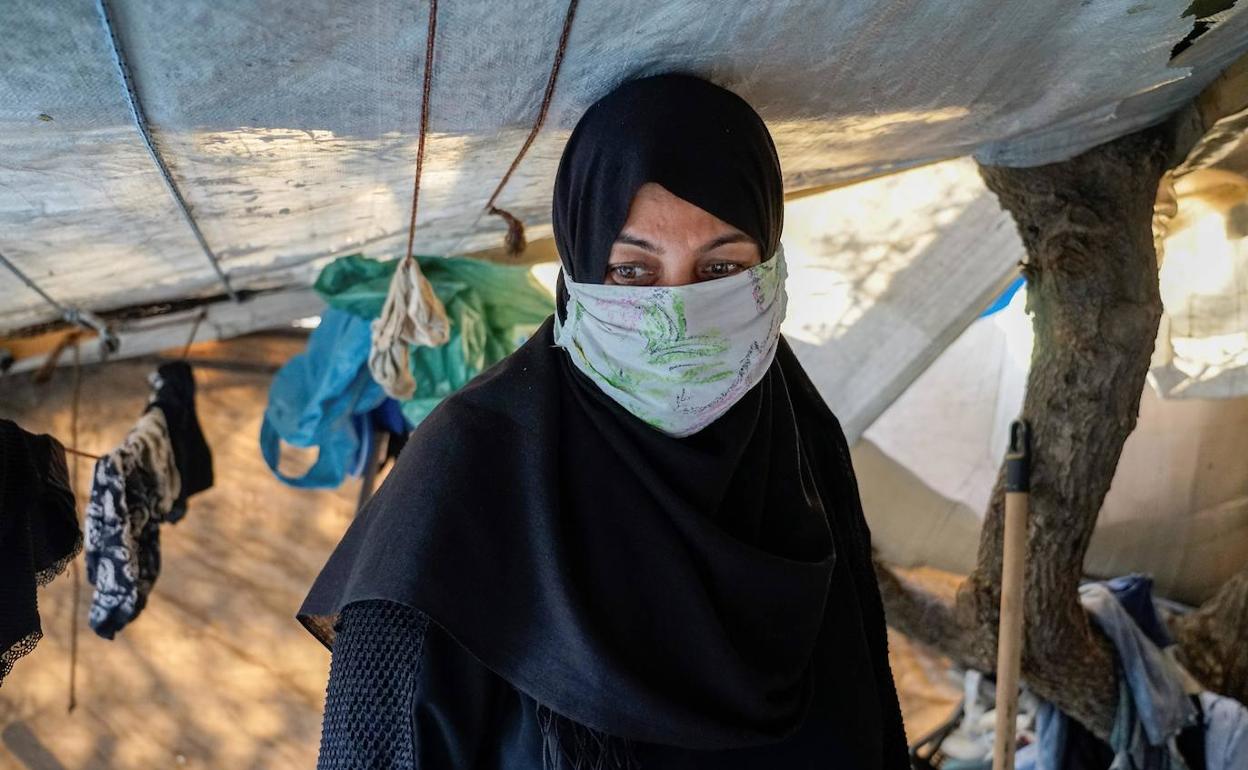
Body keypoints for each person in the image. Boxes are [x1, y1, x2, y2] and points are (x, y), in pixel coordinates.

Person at [299, 73, 909, 770]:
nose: (678, 315)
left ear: (770, 267)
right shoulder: (464, 483)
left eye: (722, 267)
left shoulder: (799, 447)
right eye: (632, 272)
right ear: (579, 270)